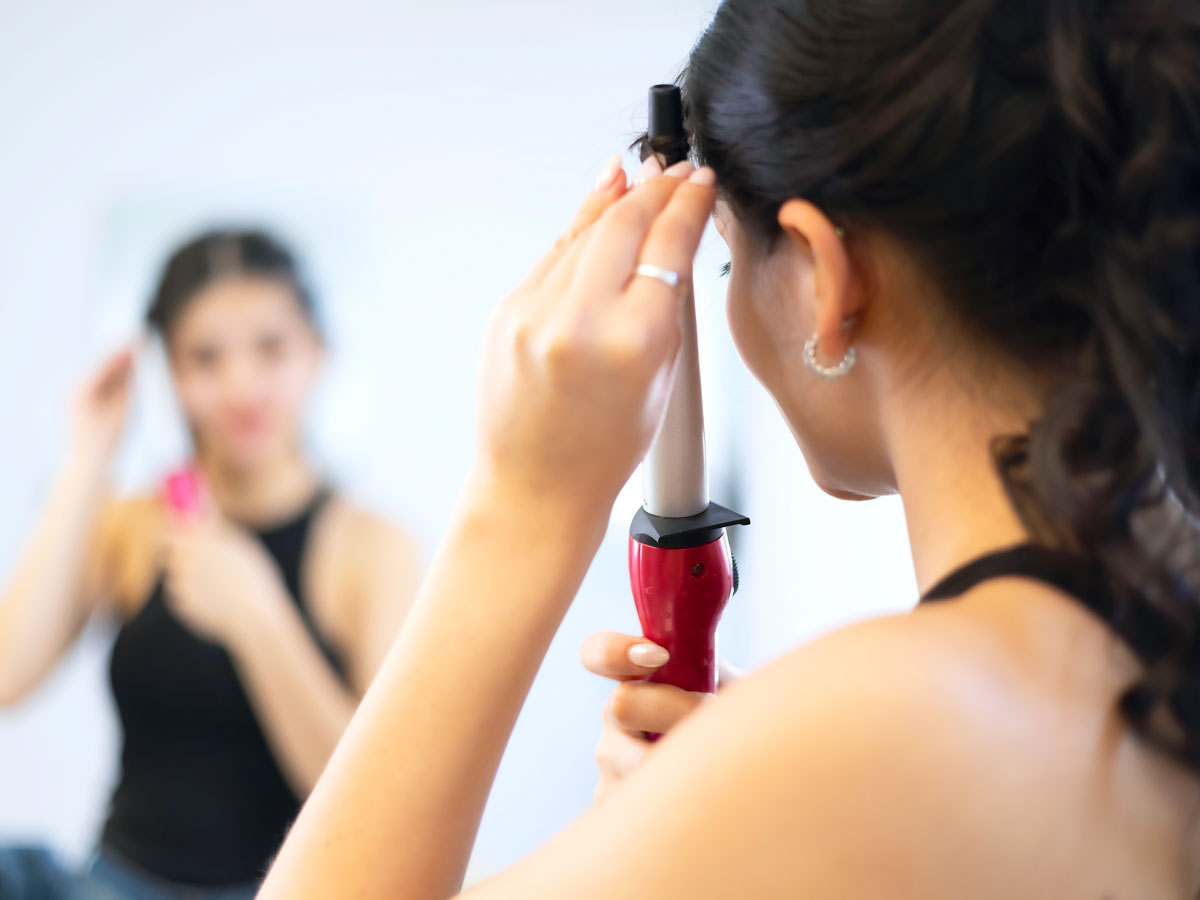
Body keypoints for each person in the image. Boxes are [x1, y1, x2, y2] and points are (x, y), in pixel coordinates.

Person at [257, 0, 1200, 896]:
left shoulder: (889, 733)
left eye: (726, 258)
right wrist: (716, 810)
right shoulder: (1131, 656)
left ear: (824, 279)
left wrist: (522, 504)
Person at [0, 229, 422, 898]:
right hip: (116, 881)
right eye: (205, 357)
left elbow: (380, 804)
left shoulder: (372, 547)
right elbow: (8, 677)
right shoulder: (134, 524)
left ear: (317, 353)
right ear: (169, 371)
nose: (241, 384)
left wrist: (260, 620)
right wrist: (88, 454)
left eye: (270, 348)